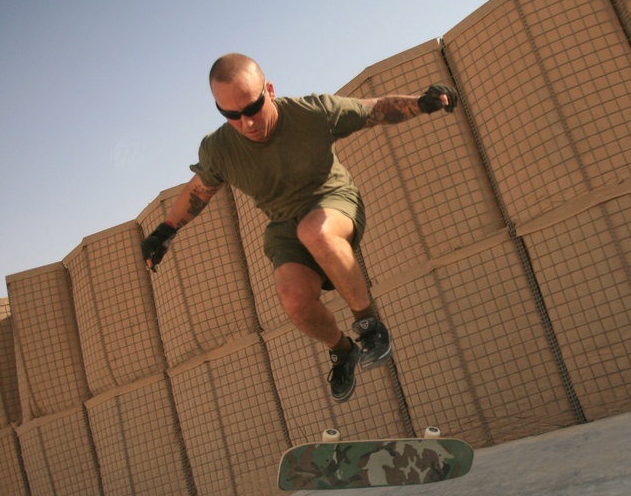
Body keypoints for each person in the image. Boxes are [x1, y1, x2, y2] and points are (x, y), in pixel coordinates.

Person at [141, 53, 457, 403]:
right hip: (283, 225)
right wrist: (165, 230)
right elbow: (200, 189)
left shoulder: (311, 113)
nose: (246, 123)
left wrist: (424, 103)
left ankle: (370, 326)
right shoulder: (219, 149)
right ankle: (342, 349)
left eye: (252, 108)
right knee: (294, 301)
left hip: (333, 202)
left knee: (315, 231)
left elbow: (376, 109)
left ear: (270, 91)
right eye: (232, 115)